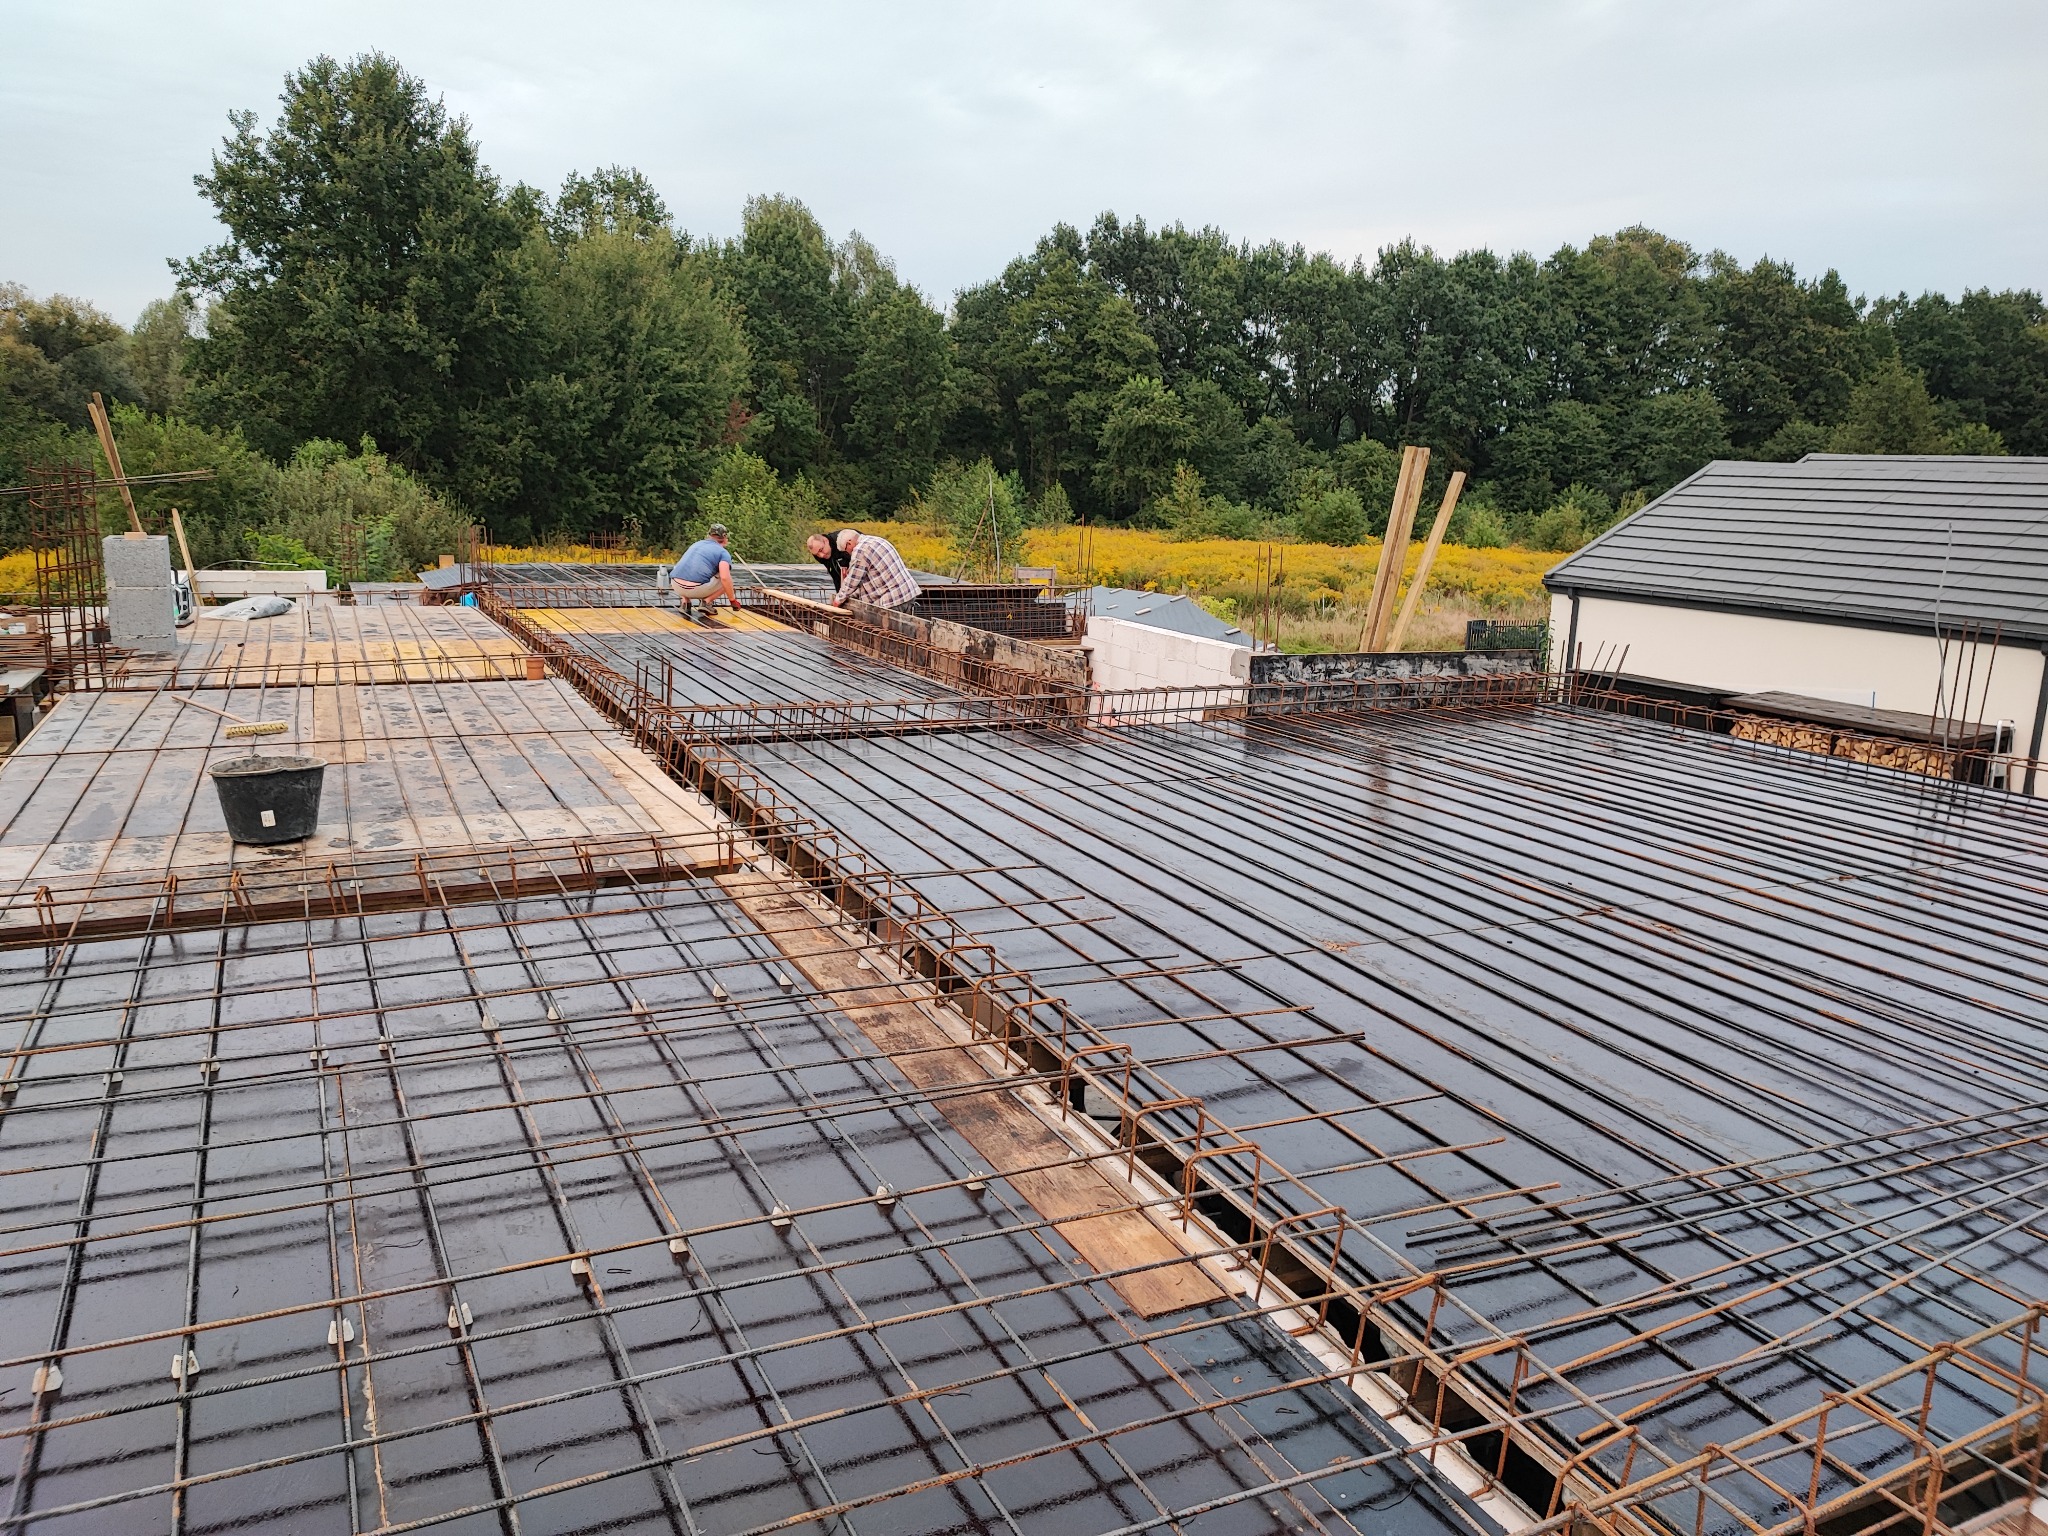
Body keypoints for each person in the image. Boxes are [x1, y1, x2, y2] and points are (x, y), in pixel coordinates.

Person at [830, 528, 920, 610]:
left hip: (893, 599)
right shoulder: (875, 540)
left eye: (846, 550)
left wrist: (837, 600)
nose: (848, 553)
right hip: (907, 593)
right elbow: (865, 581)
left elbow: (852, 581)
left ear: (849, 543)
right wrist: (851, 595)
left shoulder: (861, 549)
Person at [670, 524, 737, 614]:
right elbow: (725, 578)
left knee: (683, 568)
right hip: (696, 589)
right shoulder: (723, 553)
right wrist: (733, 601)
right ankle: (707, 602)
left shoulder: (696, 544)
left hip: (676, 586)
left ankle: (685, 602)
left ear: (708, 535)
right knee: (727, 580)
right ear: (725, 538)